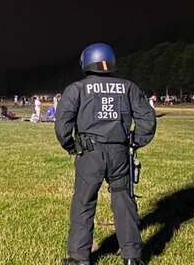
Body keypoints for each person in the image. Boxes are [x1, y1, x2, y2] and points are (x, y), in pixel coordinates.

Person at [55, 43, 156, 265]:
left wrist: (72, 146)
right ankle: (132, 256)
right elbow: (148, 119)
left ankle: (79, 258)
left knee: (84, 202)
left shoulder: (77, 89)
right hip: (119, 152)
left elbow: (62, 125)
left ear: (86, 62)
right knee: (123, 200)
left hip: (90, 153)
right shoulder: (128, 87)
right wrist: (134, 141)